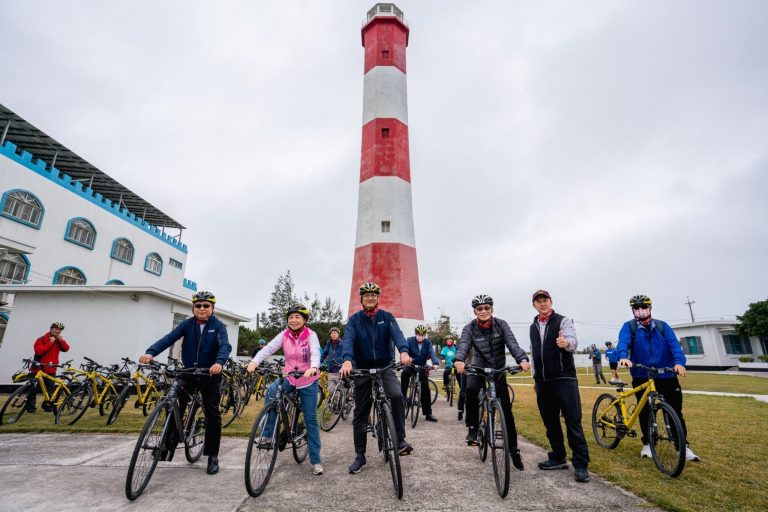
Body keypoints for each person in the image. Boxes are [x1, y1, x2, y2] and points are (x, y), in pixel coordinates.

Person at [139, 291, 231, 475]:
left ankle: (212, 455)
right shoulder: (187, 324)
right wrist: (151, 352)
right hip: (188, 372)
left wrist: (219, 363)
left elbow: (225, 346)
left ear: (212, 308)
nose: (202, 308)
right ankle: (168, 445)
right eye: (198, 306)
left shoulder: (218, 326)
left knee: (213, 414)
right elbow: (169, 338)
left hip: (209, 374)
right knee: (173, 404)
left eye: (206, 305)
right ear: (193, 308)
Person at [340, 282, 413, 474]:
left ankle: (400, 439)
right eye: (366, 295)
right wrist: (347, 361)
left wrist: (404, 352)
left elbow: (397, 335)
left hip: (384, 365)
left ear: (378, 298)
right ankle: (360, 455)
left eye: (373, 295)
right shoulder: (354, 320)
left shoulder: (387, 317)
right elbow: (348, 341)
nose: (370, 298)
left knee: (396, 396)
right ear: (362, 299)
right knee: (361, 412)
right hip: (362, 368)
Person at [617, 294, 699, 462]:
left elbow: (675, 346)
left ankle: (682, 446)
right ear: (633, 310)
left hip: (667, 374)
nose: (641, 311)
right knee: (645, 411)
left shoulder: (662, 326)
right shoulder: (629, 327)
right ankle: (648, 443)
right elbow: (623, 343)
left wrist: (679, 363)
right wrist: (623, 356)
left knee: (675, 411)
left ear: (650, 308)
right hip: (642, 375)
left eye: (644, 307)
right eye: (637, 308)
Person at [454, 294, 531, 472]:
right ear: (475, 311)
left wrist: (522, 359)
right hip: (478, 368)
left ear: (492, 309)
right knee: (471, 390)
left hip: (498, 370)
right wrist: (459, 359)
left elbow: (512, 343)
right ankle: (473, 428)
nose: (483, 311)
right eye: (479, 309)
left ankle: (514, 451)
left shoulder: (501, 324)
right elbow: (464, 345)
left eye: (486, 308)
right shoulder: (469, 328)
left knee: (507, 411)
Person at [247, 304, 324, 475]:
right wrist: (254, 361)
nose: (294, 320)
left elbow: (316, 354)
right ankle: (267, 435)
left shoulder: (311, 335)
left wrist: (313, 367)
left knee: (310, 419)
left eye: (298, 317)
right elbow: (268, 348)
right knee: (272, 393)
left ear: (304, 320)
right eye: (291, 317)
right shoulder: (284, 335)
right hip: (289, 376)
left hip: (307, 379)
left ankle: (316, 460)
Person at [529, 290, 591, 483]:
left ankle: (580, 464)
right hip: (543, 382)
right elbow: (533, 354)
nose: (542, 304)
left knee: (573, 421)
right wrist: (534, 379)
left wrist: (566, 343)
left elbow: (573, 341)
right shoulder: (533, 326)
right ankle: (557, 457)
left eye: (545, 300)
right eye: (538, 301)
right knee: (550, 422)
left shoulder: (563, 321)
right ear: (534, 305)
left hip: (564, 379)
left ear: (551, 301)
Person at [26, 322, 70, 413]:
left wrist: (62, 341)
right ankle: (30, 408)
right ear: (51, 329)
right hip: (38, 369)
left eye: (59, 330)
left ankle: (48, 407)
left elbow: (66, 349)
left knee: (50, 390)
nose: (57, 331)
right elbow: (39, 352)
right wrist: (50, 342)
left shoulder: (58, 341)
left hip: (51, 369)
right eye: (55, 329)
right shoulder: (41, 339)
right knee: (33, 390)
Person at [400, 324, 440, 423]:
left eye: (423, 334)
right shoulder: (409, 340)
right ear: (416, 333)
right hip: (411, 365)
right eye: (419, 334)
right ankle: (402, 401)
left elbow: (431, 353)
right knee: (404, 374)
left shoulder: (428, 342)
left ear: (425, 334)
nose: (420, 336)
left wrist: (435, 363)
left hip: (422, 367)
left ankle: (428, 413)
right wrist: (406, 359)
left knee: (426, 388)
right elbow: (405, 350)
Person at [321, 326, 345, 395]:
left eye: (335, 333)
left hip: (340, 371)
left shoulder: (343, 344)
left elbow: (347, 354)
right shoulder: (329, 343)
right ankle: (334, 404)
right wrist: (320, 362)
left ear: (338, 334)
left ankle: (342, 404)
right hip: (331, 371)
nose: (333, 335)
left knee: (341, 391)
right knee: (331, 390)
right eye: (332, 333)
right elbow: (324, 353)